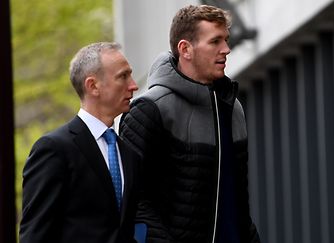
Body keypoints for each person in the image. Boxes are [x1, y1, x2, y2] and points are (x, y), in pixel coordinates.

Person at [120, 5, 260, 243]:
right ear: (185, 49)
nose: (226, 49)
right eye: (215, 41)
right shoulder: (150, 110)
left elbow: (238, 200)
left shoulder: (233, 108)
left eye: (225, 40)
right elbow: (133, 200)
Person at [20, 42, 141, 243]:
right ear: (93, 86)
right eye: (123, 76)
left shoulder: (129, 155)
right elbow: (35, 235)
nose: (134, 85)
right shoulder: (53, 149)